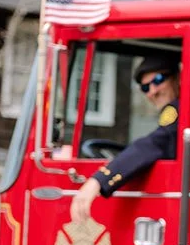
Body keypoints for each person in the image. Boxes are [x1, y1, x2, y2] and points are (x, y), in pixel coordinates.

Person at [70, 54, 180, 224]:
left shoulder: (175, 110)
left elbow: (156, 143)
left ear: (177, 77)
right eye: (145, 88)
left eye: (158, 80)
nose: (152, 91)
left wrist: (99, 179)